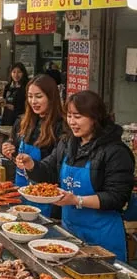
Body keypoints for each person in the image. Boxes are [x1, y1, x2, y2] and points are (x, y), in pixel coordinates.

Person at [16, 90, 134, 261]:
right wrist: (31, 164)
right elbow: (49, 171)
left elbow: (117, 197)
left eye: (77, 117)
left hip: (103, 237)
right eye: (69, 116)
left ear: (95, 117)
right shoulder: (67, 143)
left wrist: (76, 200)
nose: (72, 122)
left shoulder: (115, 152)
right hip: (70, 233)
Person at [1, 74, 65, 217]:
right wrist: (9, 148)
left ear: (51, 97)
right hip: (21, 192)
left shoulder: (61, 127)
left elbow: (56, 168)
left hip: (47, 198)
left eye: (39, 96)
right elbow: (15, 147)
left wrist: (33, 165)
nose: (33, 101)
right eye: (30, 96)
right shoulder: (23, 121)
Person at [1, 63, 29, 127]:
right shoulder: (8, 87)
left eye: (19, 72)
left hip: (20, 119)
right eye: (13, 72)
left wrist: (14, 108)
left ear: (23, 73)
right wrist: (2, 102)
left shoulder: (27, 87)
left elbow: (28, 105)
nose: (16, 75)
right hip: (7, 118)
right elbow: (5, 99)